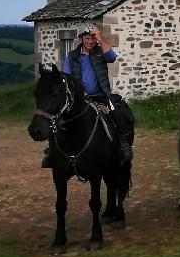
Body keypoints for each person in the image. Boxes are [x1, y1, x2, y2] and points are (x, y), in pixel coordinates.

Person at [42, 25, 135, 167]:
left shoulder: (100, 52)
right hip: (79, 98)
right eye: (87, 38)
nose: (90, 41)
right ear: (81, 39)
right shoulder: (72, 56)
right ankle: (52, 151)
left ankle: (123, 145)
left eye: (92, 38)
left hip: (101, 96)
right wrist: (80, 92)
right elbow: (67, 76)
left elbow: (112, 57)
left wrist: (100, 39)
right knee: (57, 118)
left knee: (118, 114)